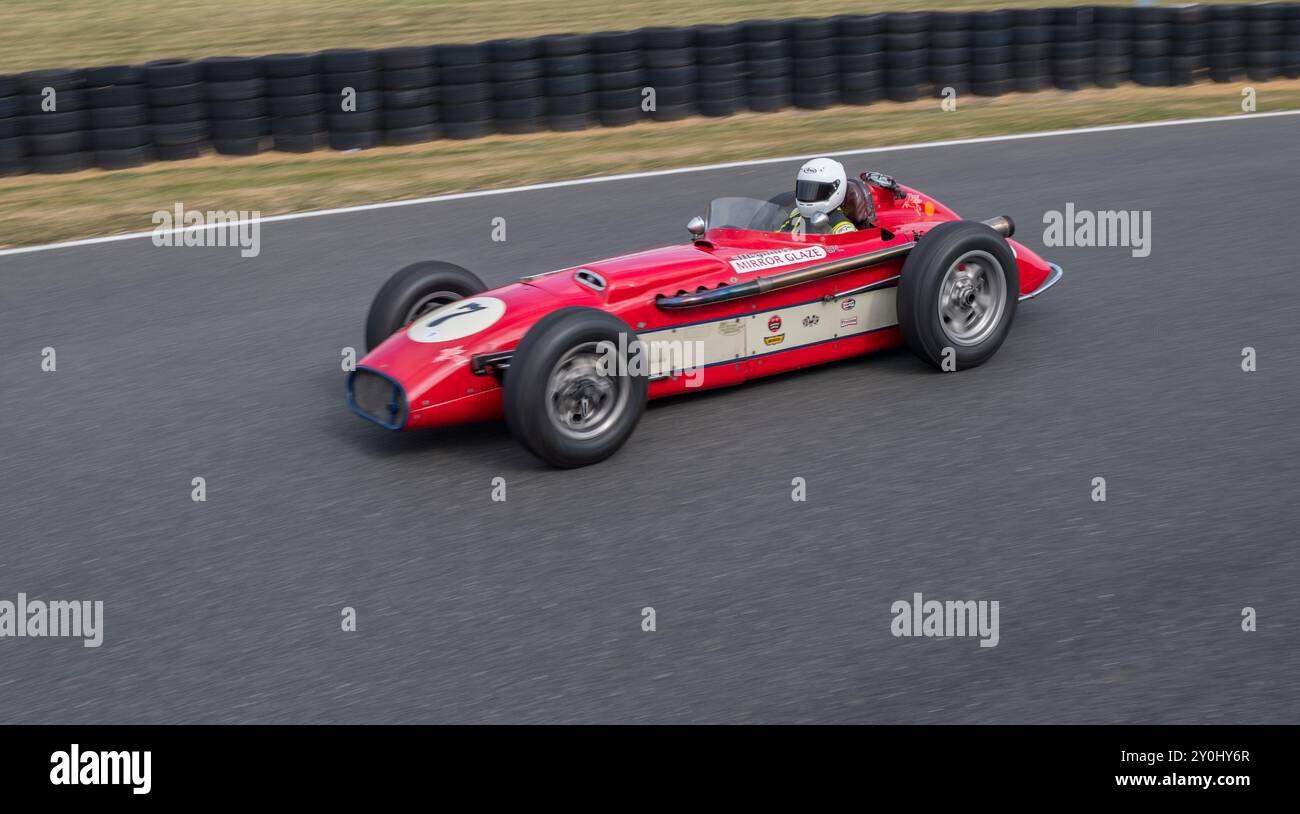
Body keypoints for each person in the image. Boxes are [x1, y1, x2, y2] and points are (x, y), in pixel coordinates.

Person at [778, 157, 857, 235]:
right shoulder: (797, 214)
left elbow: (844, 247)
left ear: (835, 190)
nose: (808, 196)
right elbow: (777, 237)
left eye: (817, 192)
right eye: (804, 189)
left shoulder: (843, 229)